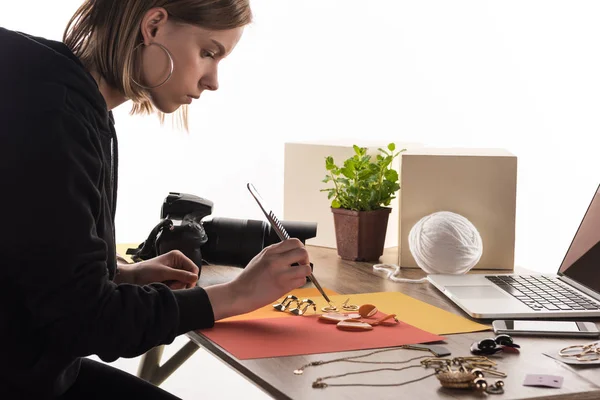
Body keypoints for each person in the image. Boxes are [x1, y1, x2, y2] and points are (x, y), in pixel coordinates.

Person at [0, 1, 312, 399]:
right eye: (208, 52)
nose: (212, 80)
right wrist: (236, 294)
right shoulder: (53, 113)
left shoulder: (66, 100)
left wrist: (118, 275)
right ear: (154, 25)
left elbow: (29, 265)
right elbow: (87, 323)